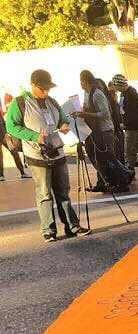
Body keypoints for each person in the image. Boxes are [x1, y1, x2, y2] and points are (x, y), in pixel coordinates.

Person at [5, 69, 87, 241]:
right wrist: (35, 137)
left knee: (63, 192)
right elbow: (12, 126)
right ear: (33, 85)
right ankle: (48, 230)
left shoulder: (52, 102)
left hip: (57, 152)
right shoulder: (20, 102)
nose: (46, 92)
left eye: (48, 88)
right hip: (37, 155)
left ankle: (72, 226)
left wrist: (64, 124)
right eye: (43, 88)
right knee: (44, 194)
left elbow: (63, 118)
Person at [76, 70, 130, 192]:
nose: (80, 84)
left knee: (109, 157)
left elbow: (105, 113)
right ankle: (107, 182)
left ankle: (124, 178)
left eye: (81, 82)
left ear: (85, 81)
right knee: (100, 159)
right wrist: (83, 112)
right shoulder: (87, 93)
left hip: (105, 130)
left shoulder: (97, 94)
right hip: (96, 131)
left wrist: (85, 114)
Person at [0, 99, 31, 181]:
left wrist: (7, 133)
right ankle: (1, 175)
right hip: (3, 134)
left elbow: (3, 122)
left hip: (3, 135)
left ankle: (22, 173)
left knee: (14, 152)